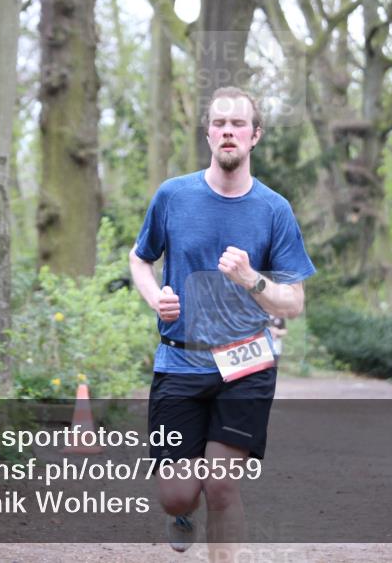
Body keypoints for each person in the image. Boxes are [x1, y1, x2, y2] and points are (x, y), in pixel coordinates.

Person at [128, 87, 315, 556]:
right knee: (177, 495)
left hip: (246, 365)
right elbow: (139, 259)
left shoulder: (274, 210)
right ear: (208, 132)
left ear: (255, 136)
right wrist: (156, 297)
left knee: (222, 487)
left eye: (237, 124)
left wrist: (252, 279)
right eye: (218, 123)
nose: (227, 131)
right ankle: (181, 513)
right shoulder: (173, 196)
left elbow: (293, 302)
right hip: (179, 362)